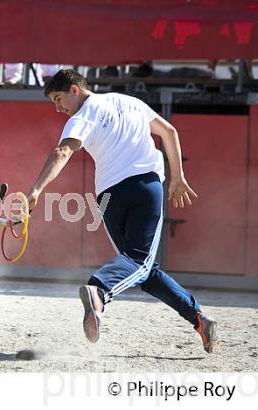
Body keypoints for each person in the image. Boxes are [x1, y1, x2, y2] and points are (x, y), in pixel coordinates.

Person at [26, 69, 217, 353]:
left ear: (74, 90)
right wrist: (177, 177)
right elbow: (169, 131)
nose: (58, 108)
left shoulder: (82, 116)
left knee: (140, 266)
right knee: (140, 265)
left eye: (58, 98)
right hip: (145, 188)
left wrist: (36, 190)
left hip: (110, 196)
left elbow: (62, 152)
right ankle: (99, 292)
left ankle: (197, 318)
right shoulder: (129, 102)